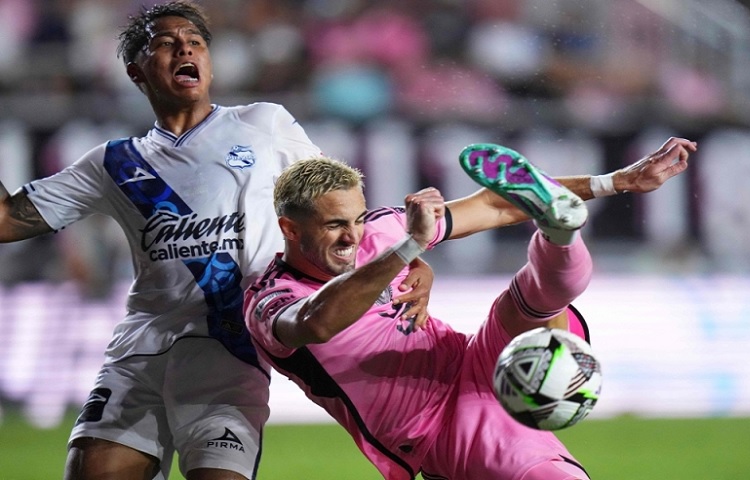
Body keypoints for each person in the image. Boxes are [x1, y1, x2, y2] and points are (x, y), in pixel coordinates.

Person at [0, 2, 436, 479]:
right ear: (136, 71)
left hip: (230, 355)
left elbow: (335, 202)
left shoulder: (263, 124)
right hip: (138, 356)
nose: (185, 47)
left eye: (196, 41)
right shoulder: (113, 163)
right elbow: (6, 221)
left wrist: (405, 258)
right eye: (164, 43)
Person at [243, 138, 696, 479]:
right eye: (335, 225)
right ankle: (559, 236)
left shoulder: (382, 232)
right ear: (290, 228)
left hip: (474, 360)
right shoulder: (268, 298)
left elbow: (496, 205)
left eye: (358, 220)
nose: (353, 237)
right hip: (434, 424)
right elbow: (317, 322)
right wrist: (410, 248)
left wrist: (617, 181)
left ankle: (559, 230)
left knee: (533, 301)